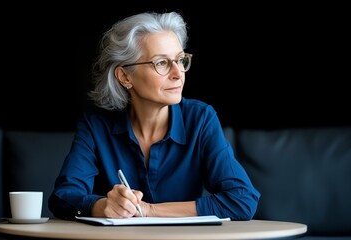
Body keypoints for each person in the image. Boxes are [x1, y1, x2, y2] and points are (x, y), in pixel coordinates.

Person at [48, 11, 260, 220]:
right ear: (124, 76)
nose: (178, 73)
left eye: (180, 60)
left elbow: (242, 201)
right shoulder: (96, 125)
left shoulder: (200, 118)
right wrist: (102, 206)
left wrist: (149, 211)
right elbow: (63, 198)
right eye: (161, 63)